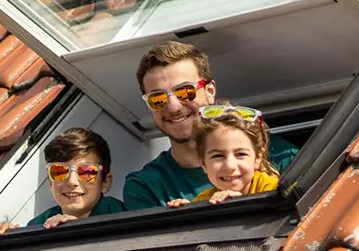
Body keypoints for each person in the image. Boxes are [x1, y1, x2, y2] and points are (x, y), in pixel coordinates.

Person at [122, 41, 298, 210]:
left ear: (210, 91)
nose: (173, 107)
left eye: (185, 91)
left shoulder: (283, 157)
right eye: (157, 98)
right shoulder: (144, 186)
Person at [0, 127, 125, 238]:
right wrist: (10, 237)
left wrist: (78, 230)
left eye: (87, 172)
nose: (72, 182)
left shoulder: (119, 214)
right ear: (50, 182)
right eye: (59, 171)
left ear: (105, 182)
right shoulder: (40, 224)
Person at [166, 105, 280, 207]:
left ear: (257, 158)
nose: (229, 166)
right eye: (218, 156)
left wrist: (240, 204)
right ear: (203, 163)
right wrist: (187, 213)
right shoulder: (204, 200)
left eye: (240, 154)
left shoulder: (273, 189)